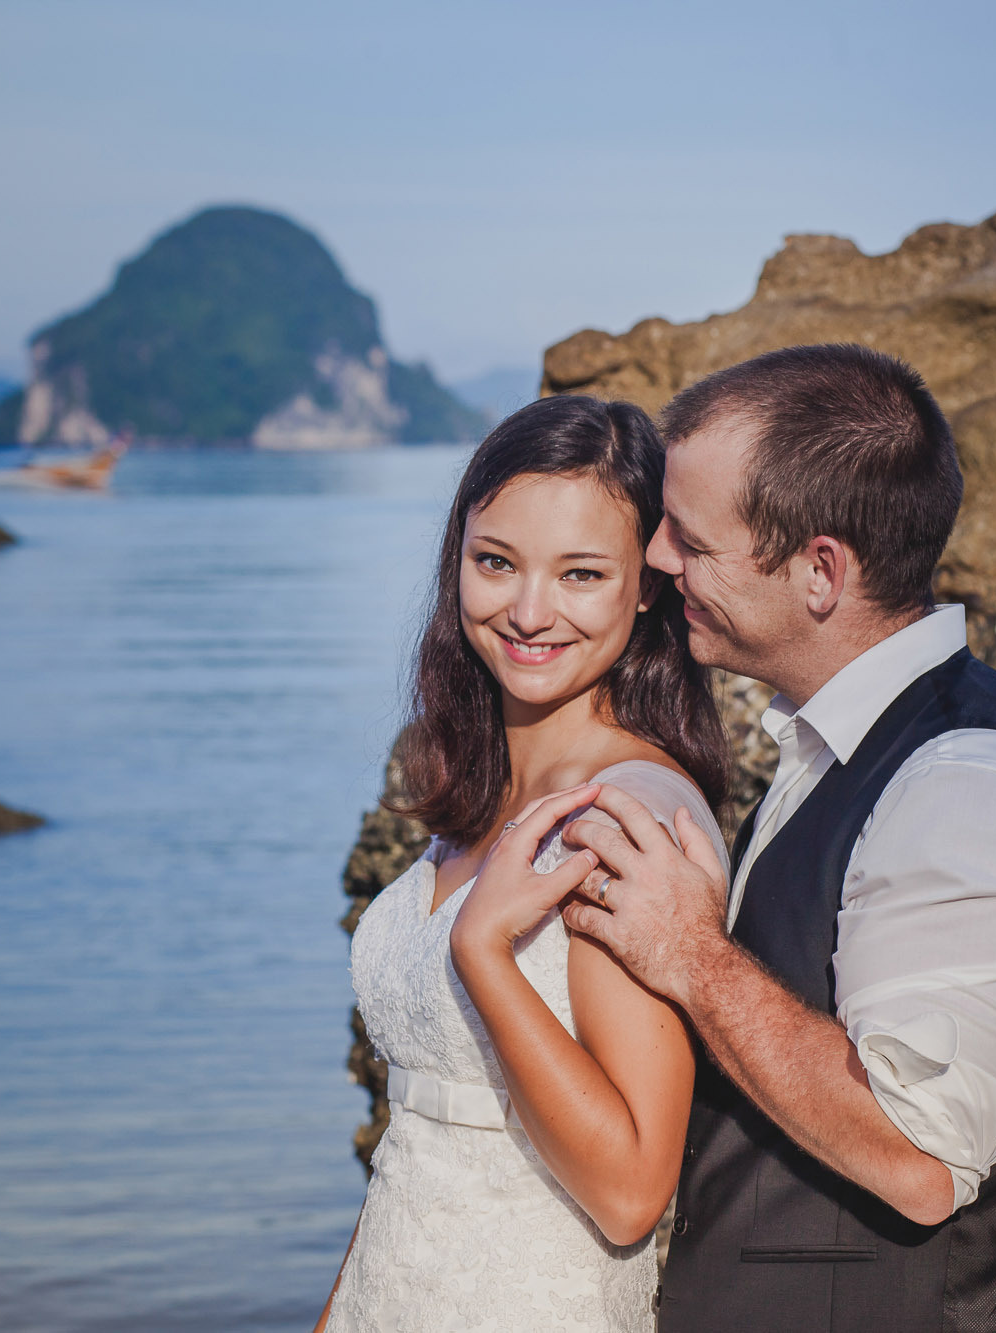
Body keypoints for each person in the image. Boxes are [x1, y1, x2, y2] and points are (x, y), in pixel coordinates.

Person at [557, 344, 996, 1332]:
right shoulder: (838, 742)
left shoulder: (967, 786)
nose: (654, 559)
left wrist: (690, 953)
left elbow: (915, 1157)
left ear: (820, 570)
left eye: (691, 540)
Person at [318, 396, 732, 1332]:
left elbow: (631, 1186)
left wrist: (485, 954)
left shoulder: (626, 818)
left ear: (646, 586)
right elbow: (418, 1138)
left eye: (581, 573)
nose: (529, 611)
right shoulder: (481, 789)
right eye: (495, 562)